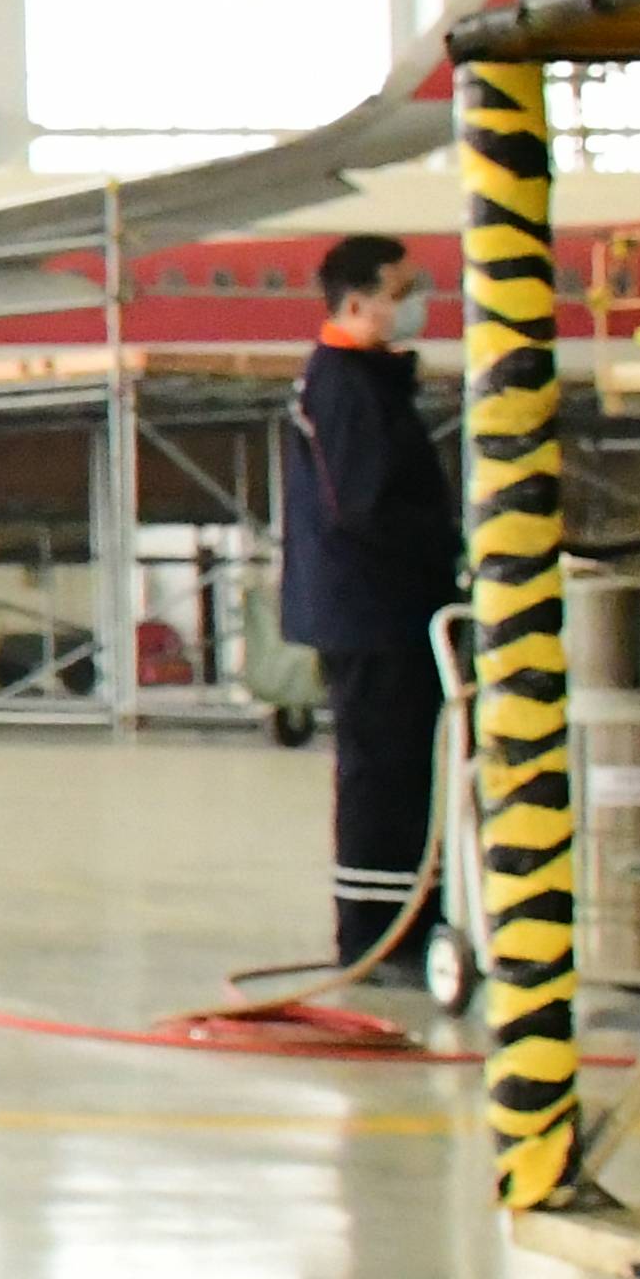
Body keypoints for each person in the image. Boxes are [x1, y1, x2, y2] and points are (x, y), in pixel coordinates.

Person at [283, 233, 457, 983]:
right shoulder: (346, 386)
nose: (419, 304)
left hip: (389, 608)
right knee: (381, 773)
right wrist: (444, 546)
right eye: (405, 290)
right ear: (357, 302)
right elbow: (366, 505)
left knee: (402, 770)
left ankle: (403, 923)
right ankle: (377, 939)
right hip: (373, 611)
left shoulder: (368, 382)